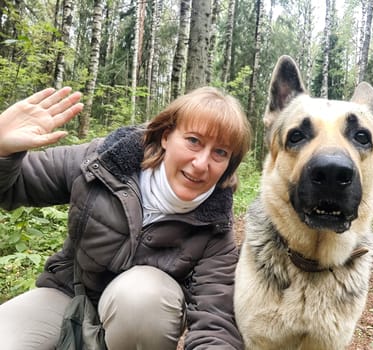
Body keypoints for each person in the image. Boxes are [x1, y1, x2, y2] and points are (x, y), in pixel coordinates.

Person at [0, 85, 251, 350]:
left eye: (220, 152)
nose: (201, 163)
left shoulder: (215, 225)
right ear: (166, 136)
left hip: (140, 320)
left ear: (228, 165)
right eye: (193, 141)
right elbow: (13, 186)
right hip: (68, 295)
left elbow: (216, 320)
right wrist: (2, 148)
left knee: (142, 296)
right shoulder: (103, 162)